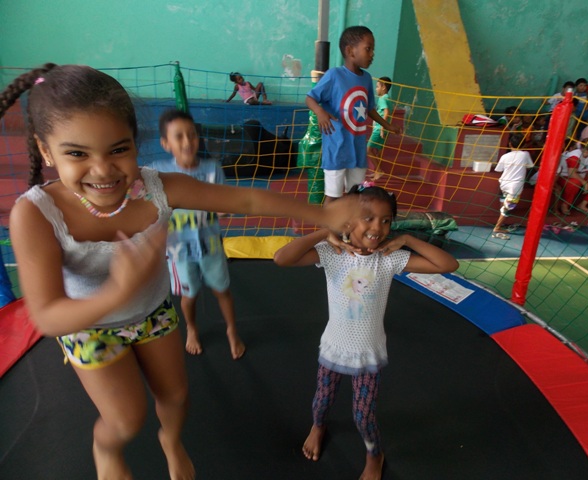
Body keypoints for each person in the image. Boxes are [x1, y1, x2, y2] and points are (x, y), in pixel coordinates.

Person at [3, 63, 363, 480]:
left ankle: (171, 441)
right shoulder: (36, 214)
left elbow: (245, 201)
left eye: (118, 149)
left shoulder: (156, 188)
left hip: (152, 313)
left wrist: (323, 214)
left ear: (135, 143)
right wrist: (117, 291)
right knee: (126, 419)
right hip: (88, 326)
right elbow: (48, 317)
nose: (102, 170)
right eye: (77, 154)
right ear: (46, 150)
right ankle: (106, 449)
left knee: (175, 396)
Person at [273, 183, 459, 480]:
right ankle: (318, 427)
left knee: (363, 416)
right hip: (333, 346)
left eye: (386, 221)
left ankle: (375, 454)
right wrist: (325, 232)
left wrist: (407, 238)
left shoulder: (388, 259)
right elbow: (281, 258)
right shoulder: (333, 254)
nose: (377, 227)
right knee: (321, 401)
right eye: (368, 218)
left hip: (368, 352)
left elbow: (448, 264)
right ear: (348, 222)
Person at [151, 109, 244, 358]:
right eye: (178, 136)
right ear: (166, 143)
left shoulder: (212, 169)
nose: (187, 142)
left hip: (211, 246)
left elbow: (224, 204)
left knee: (222, 290)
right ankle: (191, 328)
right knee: (189, 295)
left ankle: (232, 330)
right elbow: (149, 207)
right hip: (179, 251)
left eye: (192, 135)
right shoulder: (159, 173)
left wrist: (226, 210)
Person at [306, 26, 402, 204]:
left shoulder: (366, 79)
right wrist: (320, 112)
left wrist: (387, 125)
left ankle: (349, 223)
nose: (372, 54)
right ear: (350, 51)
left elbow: (369, 108)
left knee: (355, 195)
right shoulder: (334, 75)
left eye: (373, 49)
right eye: (368, 49)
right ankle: (329, 223)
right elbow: (310, 98)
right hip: (337, 149)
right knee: (333, 196)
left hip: (357, 150)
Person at [491, 133, 534, 239]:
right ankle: (498, 227)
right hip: (515, 186)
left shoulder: (505, 156)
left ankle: (501, 222)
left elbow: (498, 169)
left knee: (504, 204)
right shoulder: (525, 154)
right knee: (508, 208)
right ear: (524, 145)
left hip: (503, 184)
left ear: (510, 144)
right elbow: (530, 166)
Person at [556, 139, 588, 215]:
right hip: (564, 176)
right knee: (575, 182)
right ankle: (565, 205)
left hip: (581, 177)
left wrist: (586, 181)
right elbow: (571, 173)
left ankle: (582, 205)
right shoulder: (575, 155)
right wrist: (585, 183)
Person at [366, 76, 393, 180]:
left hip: (379, 130)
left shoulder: (382, 99)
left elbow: (386, 112)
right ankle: (377, 171)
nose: (376, 89)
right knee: (378, 151)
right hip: (381, 129)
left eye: (377, 86)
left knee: (368, 149)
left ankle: (379, 171)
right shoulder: (387, 98)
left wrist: (382, 127)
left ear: (383, 87)